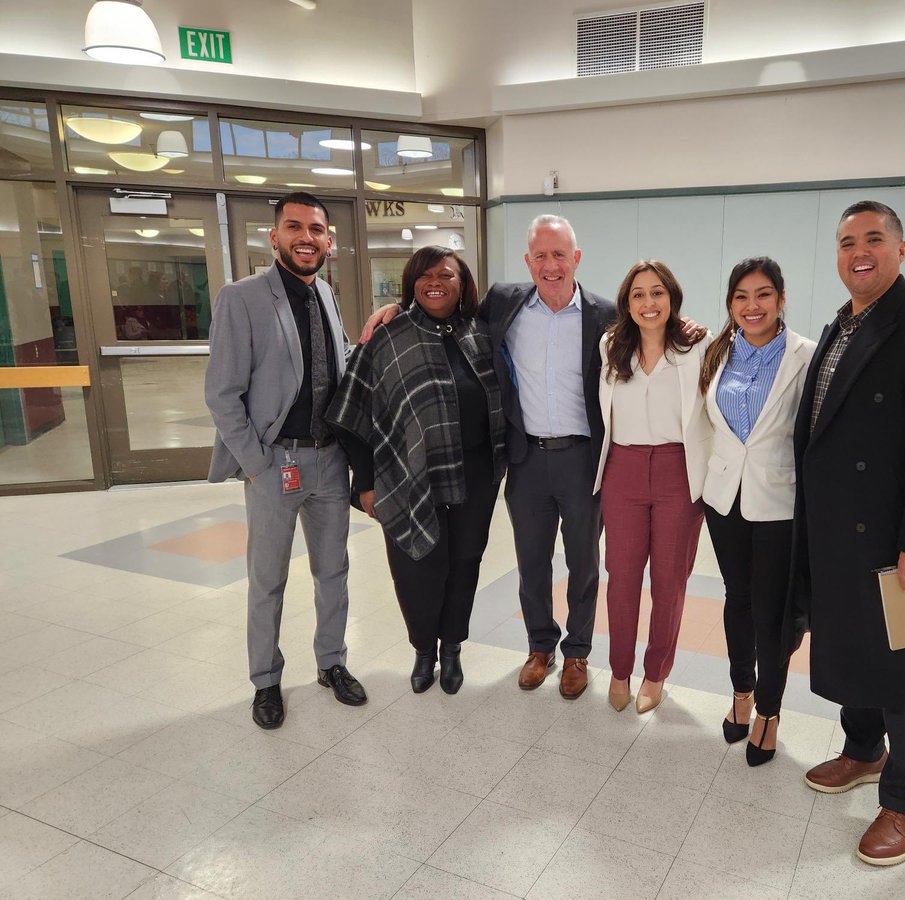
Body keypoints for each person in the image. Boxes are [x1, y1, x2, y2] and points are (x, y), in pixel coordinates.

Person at [788, 201, 905, 865]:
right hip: (839, 533)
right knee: (851, 650)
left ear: (901, 249)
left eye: (873, 239)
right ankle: (864, 750)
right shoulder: (841, 325)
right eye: (847, 242)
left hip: (904, 541)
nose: (859, 252)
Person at [361, 215, 617, 698]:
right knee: (531, 561)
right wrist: (395, 308)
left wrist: (685, 327)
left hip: (583, 460)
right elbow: (444, 307)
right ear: (527, 261)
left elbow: (652, 335)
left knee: (583, 564)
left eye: (559, 254)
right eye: (540, 255)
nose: (550, 265)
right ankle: (540, 647)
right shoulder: (504, 303)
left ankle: (577, 652)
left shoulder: (607, 314)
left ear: (577, 258)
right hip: (526, 459)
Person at [205, 191, 367, 730]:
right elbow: (222, 393)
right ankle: (266, 681)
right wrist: (257, 464)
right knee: (267, 578)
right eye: (294, 227)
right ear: (274, 237)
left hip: (329, 461)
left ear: (328, 241)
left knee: (333, 571)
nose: (306, 237)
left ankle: (332, 662)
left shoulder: (326, 293)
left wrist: (376, 335)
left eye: (316, 229)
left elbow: (337, 362)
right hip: (275, 462)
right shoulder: (242, 298)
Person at [325, 247, 506, 695]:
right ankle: (424, 650)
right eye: (425, 275)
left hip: (476, 475)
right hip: (408, 475)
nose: (435, 283)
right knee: (417, 566)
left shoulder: (479, 333)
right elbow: (353, 413)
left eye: (446, 275)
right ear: (411, 283)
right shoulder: (389, 336)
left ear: (463, 284)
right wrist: (365, 483)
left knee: (465, 563)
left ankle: (452, 648)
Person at [700, 257, 815, 766]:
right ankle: (741, 694)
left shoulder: (806, 355)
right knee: (737, 600)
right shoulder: (714, 351)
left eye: (763, 294)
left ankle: (769, 711)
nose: (753, 306)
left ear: (781, 299)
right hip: (724, 497)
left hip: (778, 500)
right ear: (730, 304)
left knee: (772, 612)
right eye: (741, 296)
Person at [594, 260, 711, 714]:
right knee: (622, 577)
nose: (648, 302)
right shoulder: (611, 346)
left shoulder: (696, 345)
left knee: (669, 580)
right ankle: (619, 669)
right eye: (638, 294)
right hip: (622, 468)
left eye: (657, 292)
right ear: (627, 303)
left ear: (672, 298)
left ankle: (656, 671)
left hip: (677, 470)